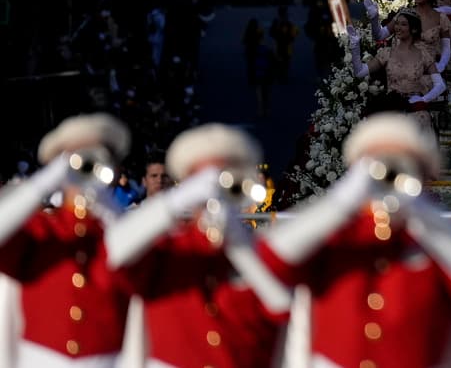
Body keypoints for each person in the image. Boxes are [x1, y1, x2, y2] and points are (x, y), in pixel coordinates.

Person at [260, 113, 451, 368]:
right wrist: (344, 198)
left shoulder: (438, 238)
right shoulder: (335, 237)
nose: (385, 174)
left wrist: (417, 205)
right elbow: (272, 261)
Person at [104, 124, 291, 368]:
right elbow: (114, 253)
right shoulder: (165, 248)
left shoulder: (258, 250)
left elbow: (281, 304)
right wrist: (179, 200)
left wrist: (236, 239)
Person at [0, 113, 132, 367]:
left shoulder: (119, 229)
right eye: (75, 159)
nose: (84, 167)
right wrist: (47, 180)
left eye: (96, 158)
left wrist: (102, 198)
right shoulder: (39, 228)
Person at [348, 9, 446, 134]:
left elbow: (440, 85)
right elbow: (360, 72)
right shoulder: (386, 53)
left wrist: (422, 100)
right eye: (397, 24)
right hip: (393, 111)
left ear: (414, 29)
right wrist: (355, 47)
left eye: (403, 24)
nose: (398, 27)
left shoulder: (423, 55)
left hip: (416, 114)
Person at [269, 6, 299, 83]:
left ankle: (281, 75)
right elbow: (295, 31)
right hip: (286, 44)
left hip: (280, 43)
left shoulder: (277, 21)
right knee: (285, 60)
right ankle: (283, 75)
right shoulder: (288, 21)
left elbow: (271, 32)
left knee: (281, 59)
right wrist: (292, 37)